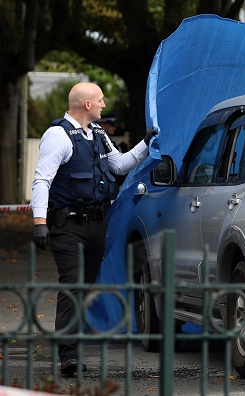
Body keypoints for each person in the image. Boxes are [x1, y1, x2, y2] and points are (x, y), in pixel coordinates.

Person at [30, 82, 158, 376]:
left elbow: (120, 165)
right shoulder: (58, 135)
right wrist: (39, 223)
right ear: (86, 105)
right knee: (73, 286)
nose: (104, 104)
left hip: (96, 224)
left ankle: (72, 347)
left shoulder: (98, 134)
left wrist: (146, 142)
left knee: (84, 287)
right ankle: (69, 356)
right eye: (100, 100)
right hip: (68, 226)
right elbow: (42, 181)